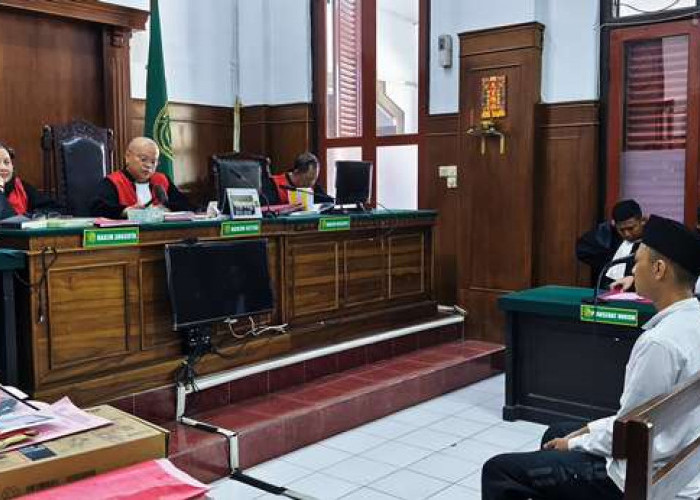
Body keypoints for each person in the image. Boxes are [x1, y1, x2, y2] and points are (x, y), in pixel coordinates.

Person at [482, 214, 700, 500]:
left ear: (659, 269)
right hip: (680, 462)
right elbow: (632, 421)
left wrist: (573, 444)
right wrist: (581, 433)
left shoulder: (659, 343)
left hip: (642, 477)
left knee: (499, 471)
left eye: (638, 262)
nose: (634, 269)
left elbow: (628, 437)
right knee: (557, 432)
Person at [91, 137, 191, 219]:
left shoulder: (162, 180)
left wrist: (166, 208)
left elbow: (185, 205)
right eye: (143, 159)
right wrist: (126, 211)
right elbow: (98, 209)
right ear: (127, 157)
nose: (148, 165)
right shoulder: (113, 182)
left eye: (153, 162)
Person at [576, 199, 646, 288]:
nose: (627, 234)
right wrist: (607, 230)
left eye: (631, 228)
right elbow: (582, 250)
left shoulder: (653, 239)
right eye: (621, 230)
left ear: (642, 221)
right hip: (609, 289)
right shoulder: (611, 238)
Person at [0, 142, 60, 219]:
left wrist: (29, 216)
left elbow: (54, 209)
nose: (3, 168)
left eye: (7, 162)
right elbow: (5, 218)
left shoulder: (20, 186)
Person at [268, 152, 333, 205]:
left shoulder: (313, 186)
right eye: (308, 179)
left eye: (314, 179)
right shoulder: (274, 184)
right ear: (296, 171)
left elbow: (329, 201)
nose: (311, 184)